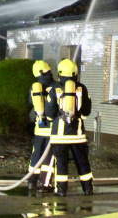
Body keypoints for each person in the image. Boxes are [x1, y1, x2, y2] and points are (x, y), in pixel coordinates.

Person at [45, 58, 94, 196]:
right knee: (82, 162)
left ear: (60, 74)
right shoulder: (82, 88)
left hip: (59, 137)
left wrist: (55, 118)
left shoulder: (54, 89)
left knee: (61, 163)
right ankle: (88, 189)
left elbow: (49, 114)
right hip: (78, 136)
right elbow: (86, 111)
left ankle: (61, 191)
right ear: (75, 73)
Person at [28, 60, 59, 192]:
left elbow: (31, 103)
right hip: (52, 128)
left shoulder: (34, 87)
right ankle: (44, 184)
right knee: (49, 157)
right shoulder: (56, 86)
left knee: (36, 155)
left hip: (39, 128)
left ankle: (31, 182)